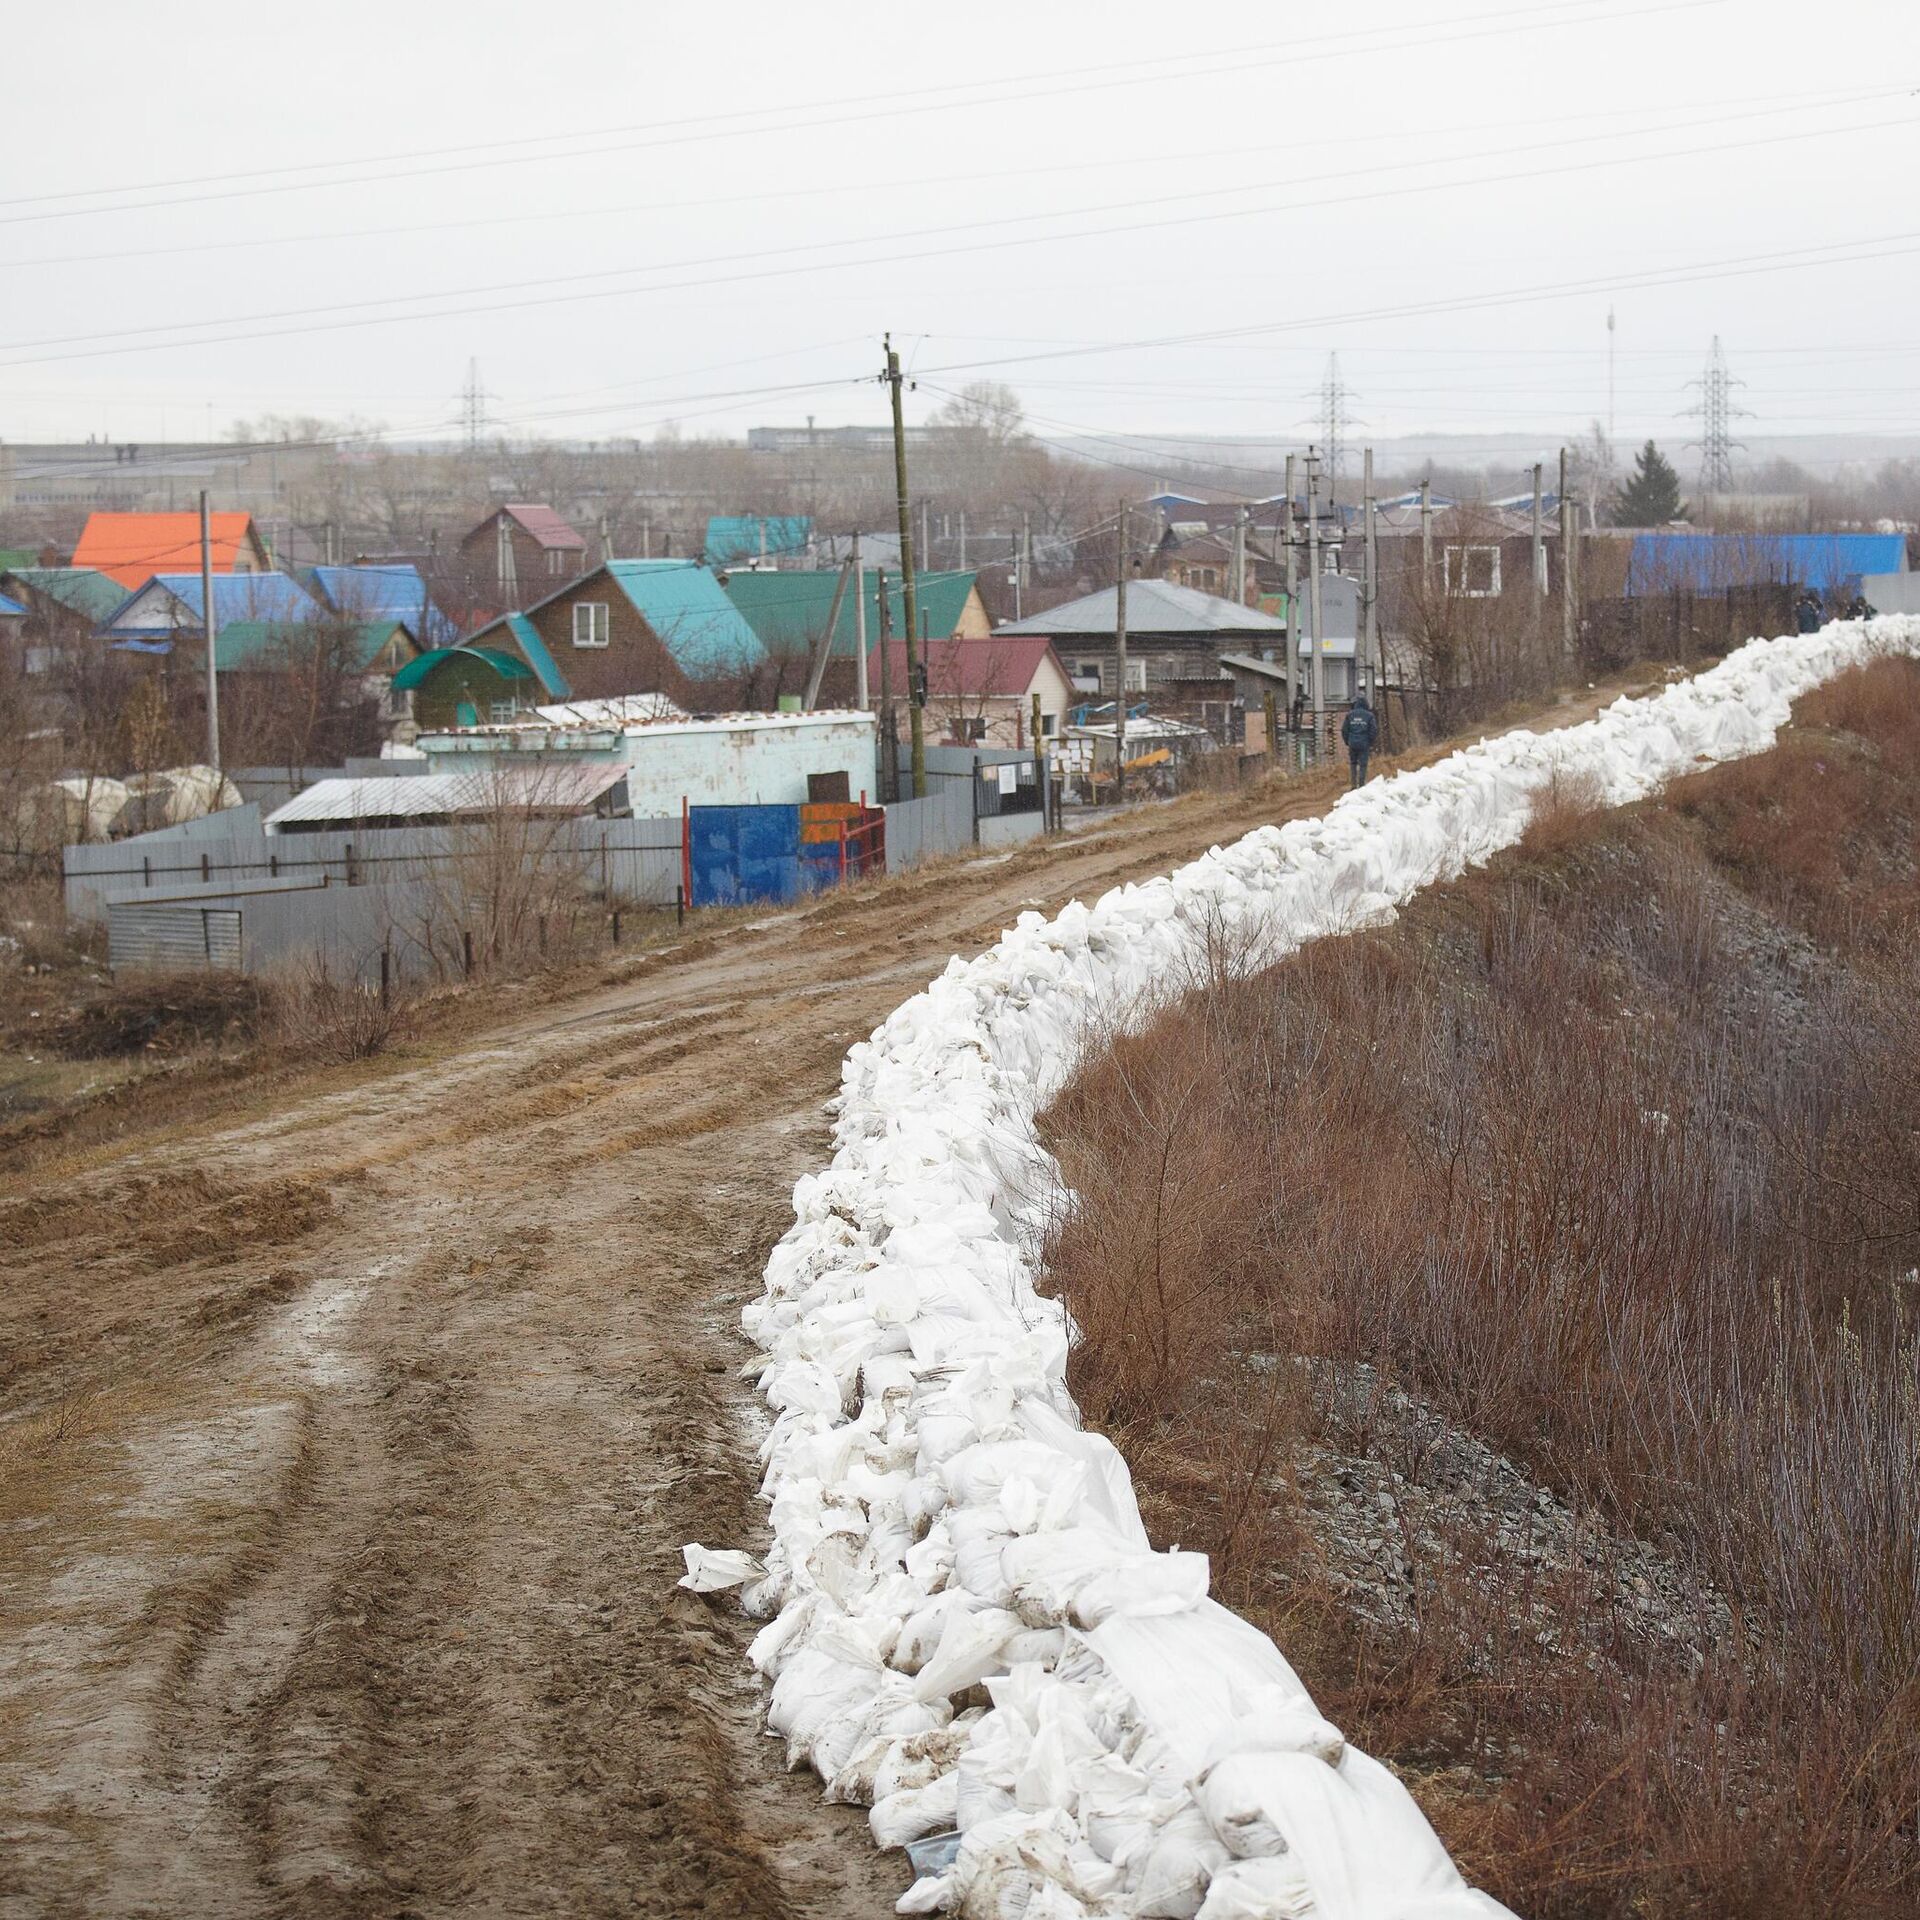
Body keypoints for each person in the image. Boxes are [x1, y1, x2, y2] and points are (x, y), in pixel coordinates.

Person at [1341, 693, 1379, 789]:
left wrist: (1347, 741)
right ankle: (1361, 784)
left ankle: (1353, 784)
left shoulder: (1350, 715)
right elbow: (1373, 730)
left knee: (1353, 763)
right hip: (1364, 743)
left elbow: (1344, 730)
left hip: (1352, 743)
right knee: (1363, 764)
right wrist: (1370, 742)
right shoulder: (1369, 716)